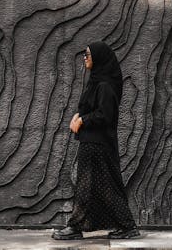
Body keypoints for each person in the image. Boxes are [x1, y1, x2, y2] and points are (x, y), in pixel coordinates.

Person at [52, 41, 140, 240]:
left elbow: (105, 115)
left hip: (97, 144)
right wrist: (78, 115)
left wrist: (83, 119)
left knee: (88, 185)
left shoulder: (105, 85)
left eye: (88, 54)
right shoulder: (98, 81)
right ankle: (127, 226)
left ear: (98, 58)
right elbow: (94, 108)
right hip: (95, 143)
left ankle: (75, 227)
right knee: (105, 186)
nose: (85, 58)